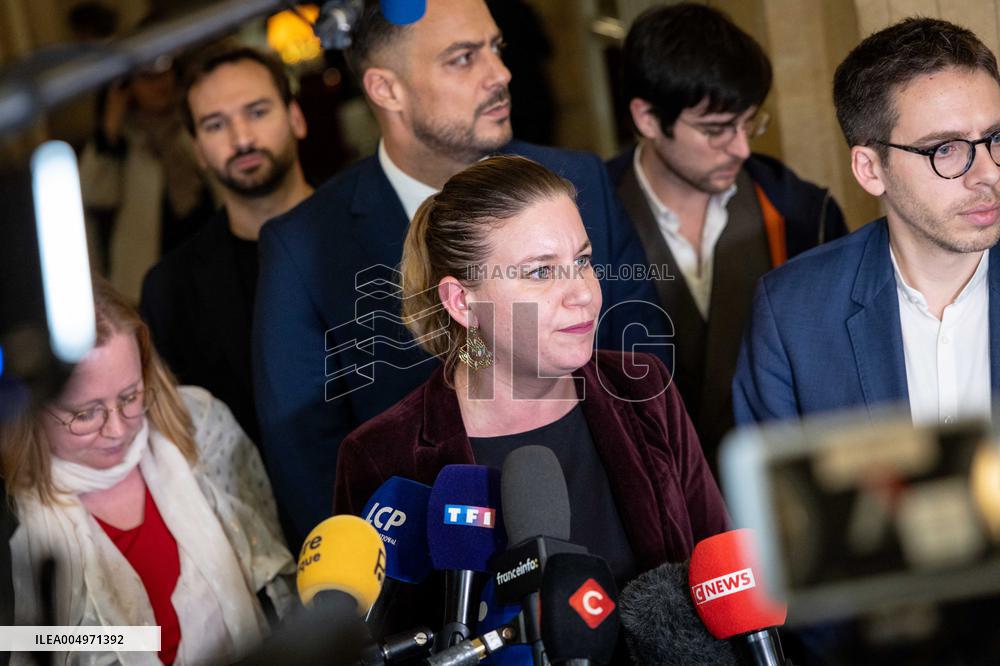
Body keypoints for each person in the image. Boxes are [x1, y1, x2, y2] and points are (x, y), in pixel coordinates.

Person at [254, 0, 667, 548]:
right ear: (386, 89)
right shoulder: (303, 247)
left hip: (613, 533)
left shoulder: (576, 178)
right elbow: (306, 460)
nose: (500, 74)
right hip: (428, 577)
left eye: (495, 49)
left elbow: (645, 369)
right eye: (462, 59)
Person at [334, 155, 728, 634]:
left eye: (582, 261)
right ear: (462, 302)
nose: (582, 292)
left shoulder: (641, 388)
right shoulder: (383, 456)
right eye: (541, 273)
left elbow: (720, 574)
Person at [0, 279, 295, 665]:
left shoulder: (201, 428)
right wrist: (136, 636)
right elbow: (16, 641)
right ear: (32, 408)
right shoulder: (10, 513)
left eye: (130, 397)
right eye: (85, 414)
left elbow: (275, 584)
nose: (117, 429)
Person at [606, 2, 847, 471]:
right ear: (648, 119)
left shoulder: (801, 214)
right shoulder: (586, 216)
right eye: (716, 130)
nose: (740, 147)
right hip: (647, 499)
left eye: (749, 123)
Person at [734, 18, 1000, 427]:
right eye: (945, 149)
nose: (988, 173)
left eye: (996, 139)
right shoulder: (792, 314)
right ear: (870, 169)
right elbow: (774, 489)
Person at [140, 44, 313, 445]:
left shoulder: (375, 228)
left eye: (257, 112)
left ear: (297, 118)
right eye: (216, 125)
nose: (242, 139)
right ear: (198, 150)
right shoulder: (170, 289)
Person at [79, 55, 215, 302]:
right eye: (146, 77)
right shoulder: (121, 139)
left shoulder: (196, 118)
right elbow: (93, 194)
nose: (159, 84)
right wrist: (110, 125)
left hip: (211, 254)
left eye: (164, 72)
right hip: (154, 275)